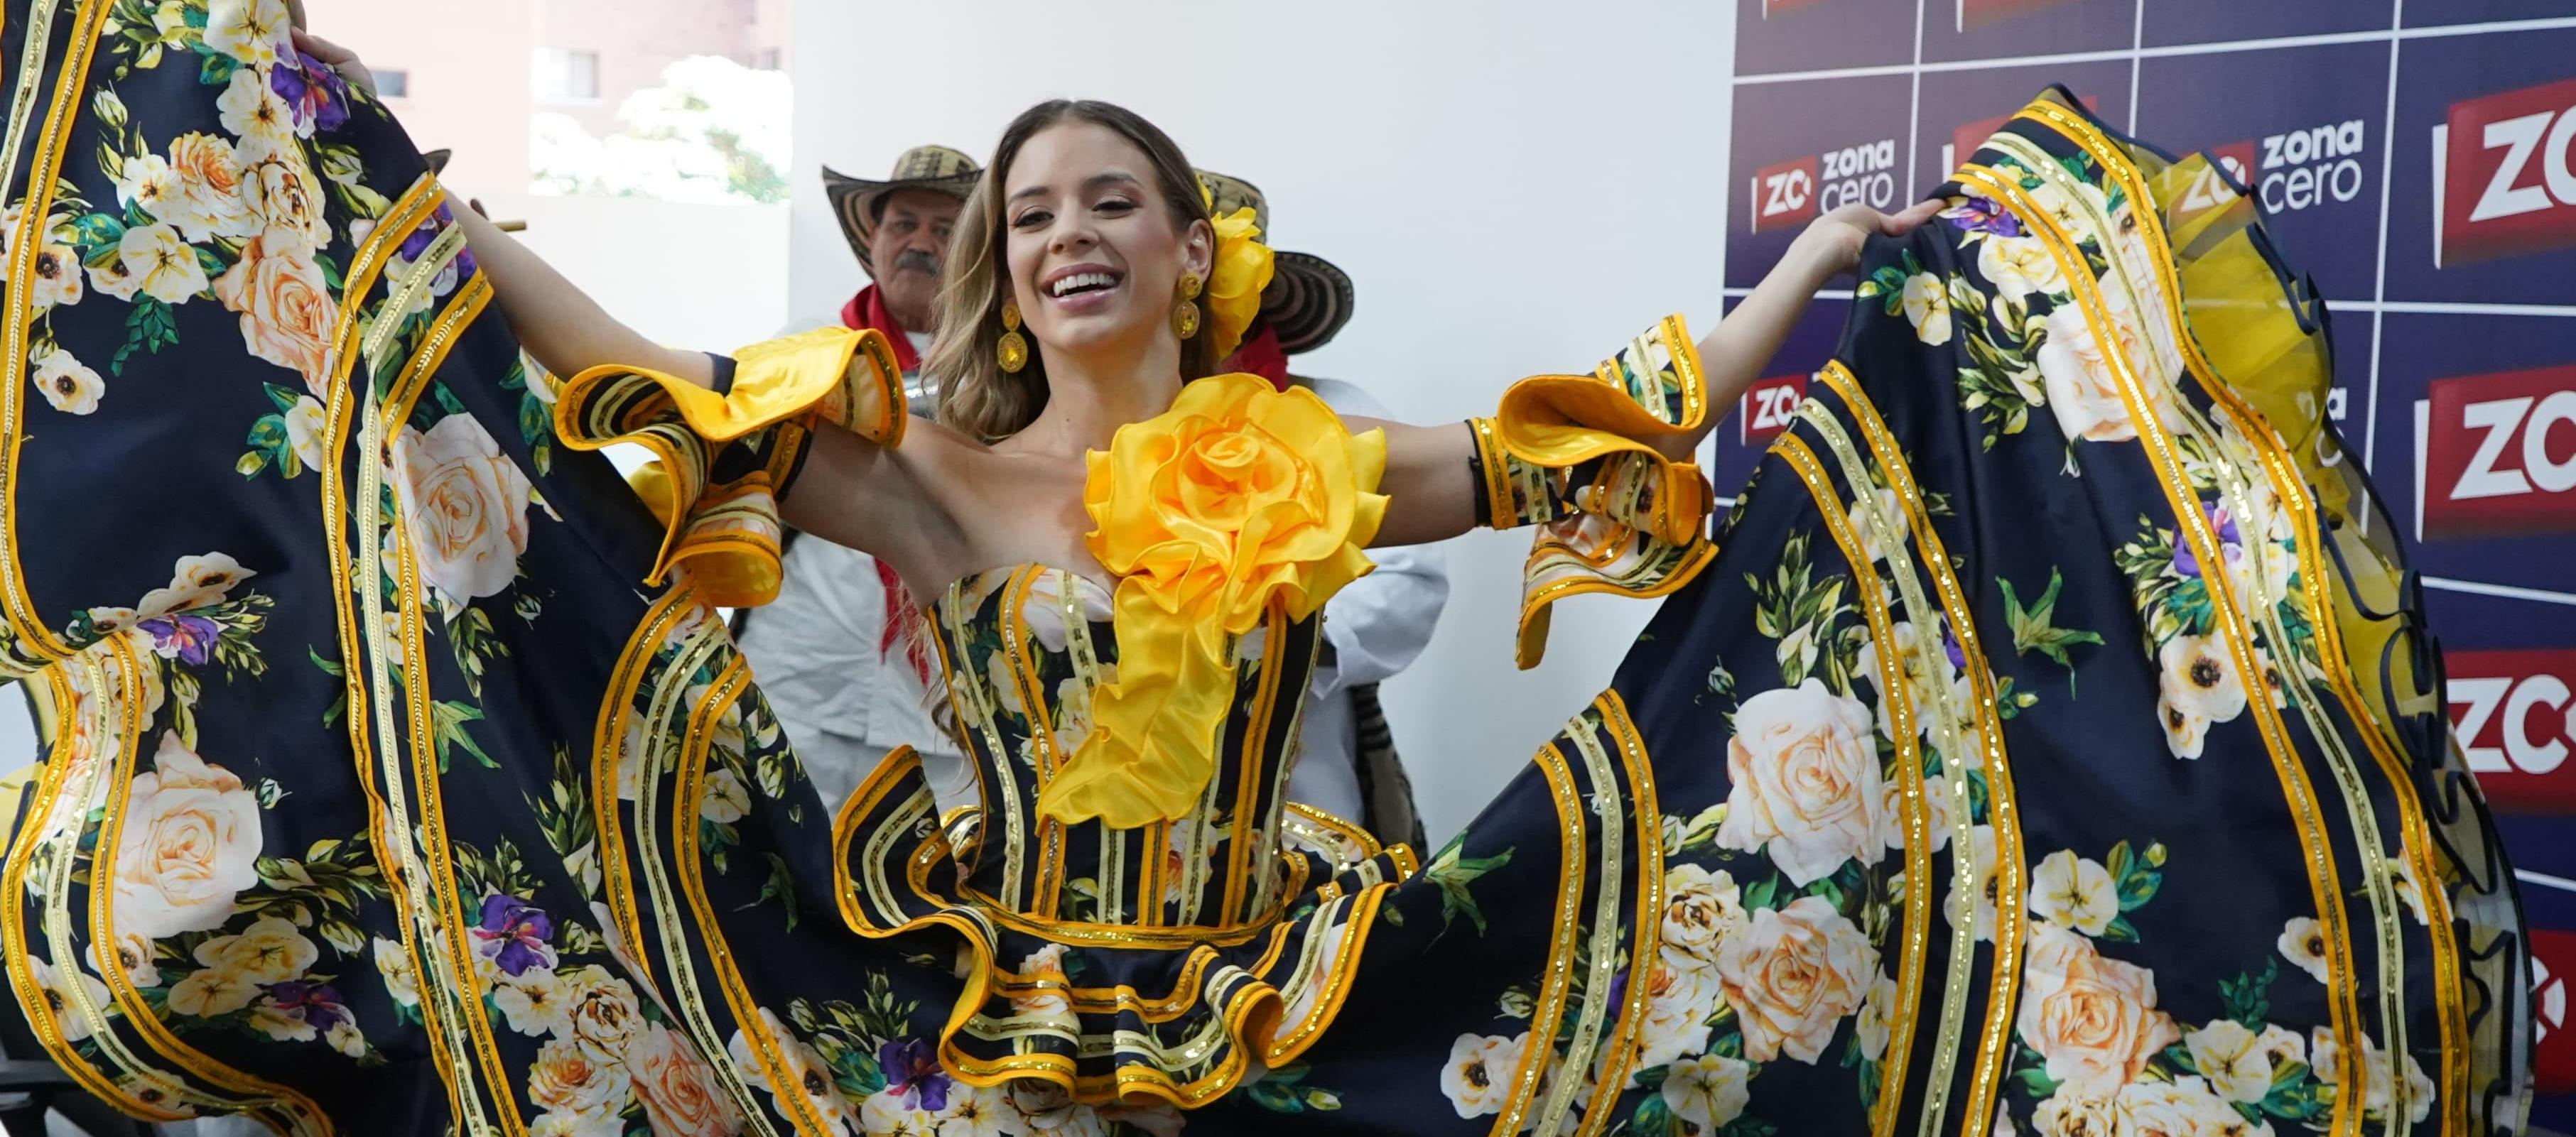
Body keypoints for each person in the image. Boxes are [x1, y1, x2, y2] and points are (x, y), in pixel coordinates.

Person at [8, 9, 2519, 1133]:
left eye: (1108, 197)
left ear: (1182, 249)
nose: (1067, 233)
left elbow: (1591, 460)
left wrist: (1800, 299)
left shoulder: (1293, 477)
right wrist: (422, 207)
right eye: (1029, 212)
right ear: (991, 266)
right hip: (969, 1048)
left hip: (1305, 1026)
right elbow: (643, 380)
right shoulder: (919, 471)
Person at [1199, 170, 1446, 848]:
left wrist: (1273, 649)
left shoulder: (1336, 414)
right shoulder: (1089, 427)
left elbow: (1408, 580)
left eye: (1219, 284)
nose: (1197, 307)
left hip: (1302, 785)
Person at [735, 148, 978, 809]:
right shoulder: (807, 349)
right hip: (803, 673)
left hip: (944, 707)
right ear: (873, 240)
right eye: (903, 224)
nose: (920, 243)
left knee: (927, 901)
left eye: (944, 229)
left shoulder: (1004, 377)